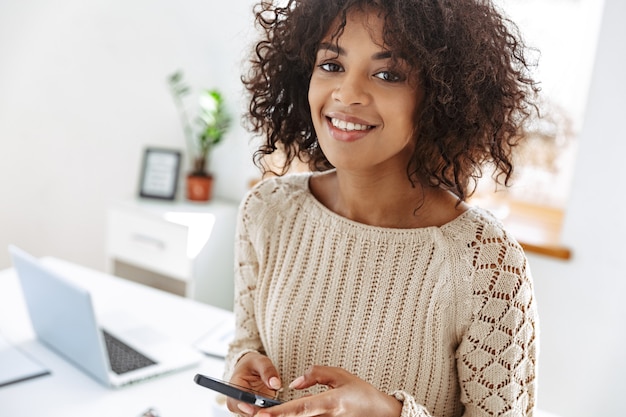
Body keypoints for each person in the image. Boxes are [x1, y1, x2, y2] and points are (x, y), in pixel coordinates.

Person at [225, 0, 540, 416]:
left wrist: (390, 412)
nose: (347, 93)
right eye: (332, 65)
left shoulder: (486, 262)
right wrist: (240, 373)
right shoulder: (268, 211)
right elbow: (246, 344)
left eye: (387, 74)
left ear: (440, 95)